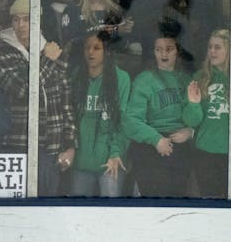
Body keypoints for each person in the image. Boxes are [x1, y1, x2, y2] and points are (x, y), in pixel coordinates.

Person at [0, 0, 76, 195]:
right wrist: (47, 60)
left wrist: (71, 145)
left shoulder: (50, 50)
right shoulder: (1, 53)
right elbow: (24, 89)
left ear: (37, 20)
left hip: (50, 148)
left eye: (27, 18)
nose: (21, 24)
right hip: (15, 146)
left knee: (45, 209)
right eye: (16, 19)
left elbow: (67, 103)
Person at [121, 26, 192, 197]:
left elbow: (196, 114)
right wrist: (156, 139)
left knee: (177, 200)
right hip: (150, 143)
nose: (164, 54)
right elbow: (131, 121)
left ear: (177, 52)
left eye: (169, 49)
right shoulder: (144, 80)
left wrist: (190, 131)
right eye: (159, 49)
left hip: (179, 143)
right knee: (155, 199)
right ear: (153, 52)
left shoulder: (186, 81)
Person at [69, 31, 131, 197]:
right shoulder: (76, 76)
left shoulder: (121, 78)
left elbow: (124, 122)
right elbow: (69, 118)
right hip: (81, 163)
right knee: (78, 215)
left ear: (107, 51)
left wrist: (116, 153)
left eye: (97, 48)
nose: (90, 52)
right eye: (87, 48)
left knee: (110, 216)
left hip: (111, 162)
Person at [183, 29, 229, 199]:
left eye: (218, 47)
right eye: (210, 47)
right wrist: (194, 104)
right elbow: (191, 121)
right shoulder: (200, 77)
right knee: (211, 204)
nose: (212, 51)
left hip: (228, 152)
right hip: (206, 154)